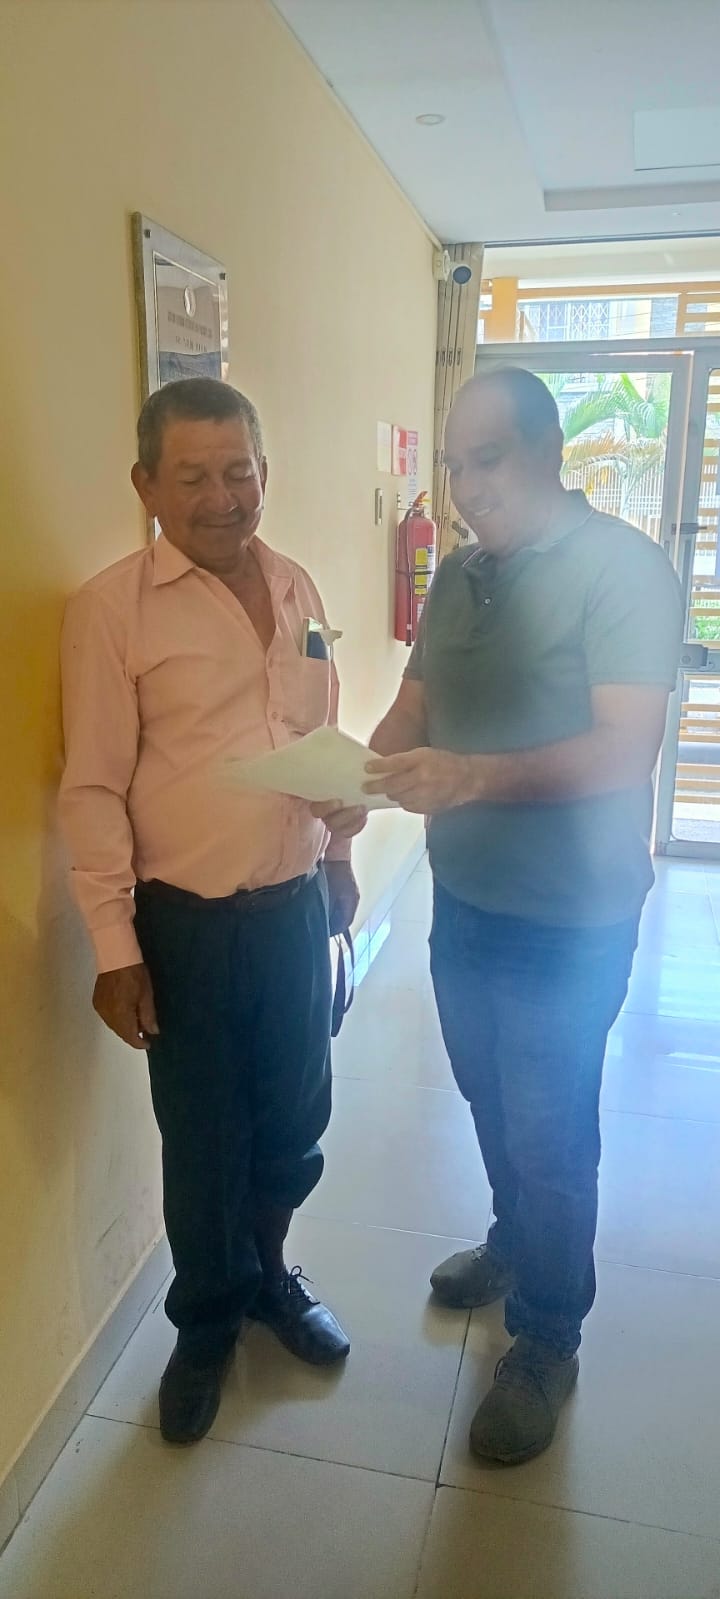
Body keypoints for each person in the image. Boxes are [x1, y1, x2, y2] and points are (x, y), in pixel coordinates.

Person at [363, 366, 683, 1466]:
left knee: (551, 1128)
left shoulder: (623, 570)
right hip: (468, 899)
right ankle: (512, 1239)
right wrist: (354, 777)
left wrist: (469, 776)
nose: (468, 487)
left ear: (549, 449)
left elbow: (623, 750)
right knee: (487, 1091)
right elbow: (412, 711)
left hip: (572, 920)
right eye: (455, 465)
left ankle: (548, 1335)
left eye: (488, 459)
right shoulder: (457, 578)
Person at [59, 378, 362, 1446]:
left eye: (239, 472)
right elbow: (93, 787)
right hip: (184, 925)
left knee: (296, 1120)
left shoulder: (296, 585)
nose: (222, 497)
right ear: (146, 485)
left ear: (264, 473)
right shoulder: (111, 610)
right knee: (201, 1140)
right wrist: (115, 947)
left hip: (293, 910)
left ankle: (270, 1273)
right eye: (192, 476)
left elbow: (320, 732)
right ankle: (206, 1323)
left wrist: (340, 855)